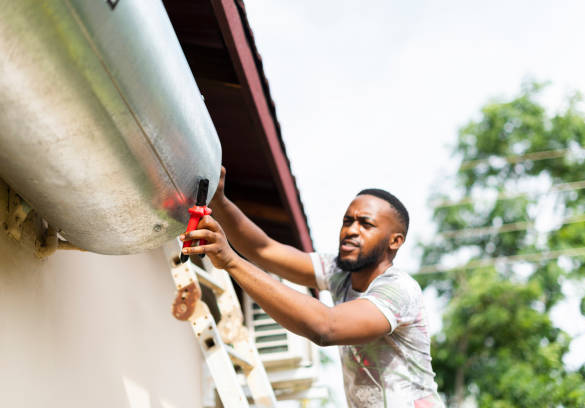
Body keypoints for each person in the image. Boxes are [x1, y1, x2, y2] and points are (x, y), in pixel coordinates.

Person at [180, 168, 444, 408]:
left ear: (395, 241)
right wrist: (220, 202)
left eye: (366, 224)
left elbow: (326, 327)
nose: (351, 230)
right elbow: (264, 249)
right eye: (347, 221)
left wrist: (230, 261)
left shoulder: (398, 289)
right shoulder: (340, 272)